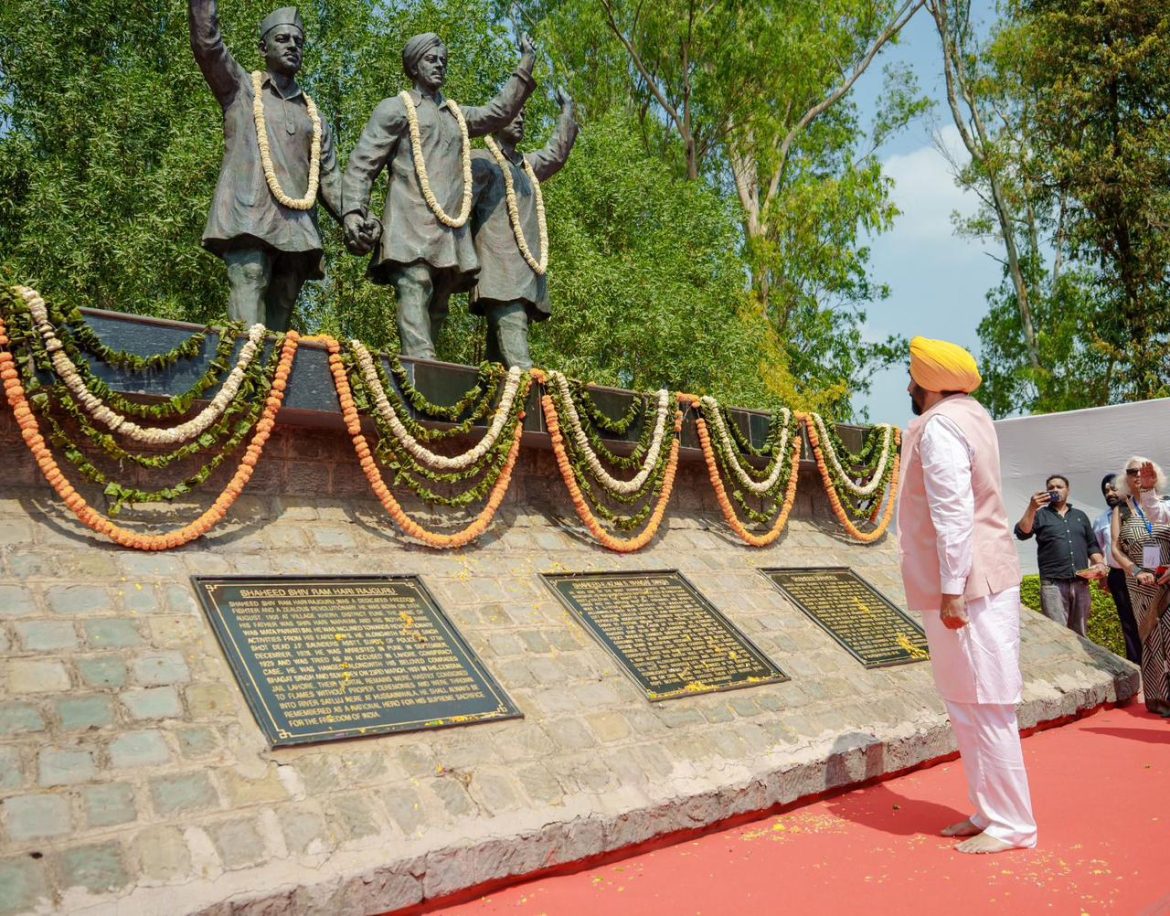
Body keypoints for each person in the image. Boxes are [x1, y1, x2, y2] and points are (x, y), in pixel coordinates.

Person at [897, 336, 1037, 854]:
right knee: (965, 701)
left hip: (968, 586)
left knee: (987, 701)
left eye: (913, 378)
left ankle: (1014, 825)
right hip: (965, 582)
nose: (908, 386)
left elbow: (953, 514)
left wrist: (952, 590)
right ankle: (990, 810)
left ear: (931, 384)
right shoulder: (971, 414)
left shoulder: (941, 428)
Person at [342, 33, 537, 359]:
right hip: (409, 224)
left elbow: (499, 111)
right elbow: (363, 163)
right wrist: (353, 212)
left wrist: (526, 63)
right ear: (414, 67)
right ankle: (422, 362)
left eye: (443, 61)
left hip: (448, 230)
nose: (439, 66)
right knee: (415, 285)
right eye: (432, 60)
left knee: (440, 301)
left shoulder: (457, 117)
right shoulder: (396, 109)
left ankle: (421, 375)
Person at [188, 1, 365, 330]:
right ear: (263, 47)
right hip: (249, 215)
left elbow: (329, 177)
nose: (293, 46)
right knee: (250, 276)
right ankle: (243, 371)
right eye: (283, 39)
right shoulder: (241, 89)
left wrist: (352, 215)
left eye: (299, 41)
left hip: (297, 227)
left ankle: (270, 377)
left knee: (283, 300)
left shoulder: (313, 114)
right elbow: (208, 44)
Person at [468, 91, 579, 369]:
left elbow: (555, 154)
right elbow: (456, 202)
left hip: (525, 275)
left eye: (524, 115)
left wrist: (567, 111)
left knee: (497, 366)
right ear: (499, 117)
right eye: (514, 113)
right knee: (520, 362)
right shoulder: (482, 161)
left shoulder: (526, 166)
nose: (520, 119)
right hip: (499, 273)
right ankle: (541, 408)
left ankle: (494, 408)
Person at [1110, 457, 1170, 716]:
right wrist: (1134, 571)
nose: (1137, 475)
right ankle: (1159, 699)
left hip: (1166, 577)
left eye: (1142, 471)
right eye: (1131, 471)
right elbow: (1115, 547)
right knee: (1151, 639)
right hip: (1139, 583)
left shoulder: (1165, 505)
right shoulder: (1121, 509)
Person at [1014, 474, 1106, 637]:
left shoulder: (1080, 515)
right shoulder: (1039, 514)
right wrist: (1032, 507)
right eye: (1051, 488)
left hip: (1080, 583)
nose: (1055, 490)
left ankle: (1081, 663)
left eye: (1059, 487)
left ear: (1067, 490)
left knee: (1081, 634)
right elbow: (1022, 532)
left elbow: (1092, 545)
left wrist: (1099, 563)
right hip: (1053, 584)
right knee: (1058, 634)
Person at [1092, 474, 1142, 663]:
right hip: (1119, 577)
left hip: (1147, 574)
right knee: (1128, 622)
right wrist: (1101, 573)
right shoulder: (1101, 520)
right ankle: (1137, 665)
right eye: (1106, 491)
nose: (1110, 493)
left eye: (1114, 488)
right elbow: (1097, 548)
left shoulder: (1143, 511)